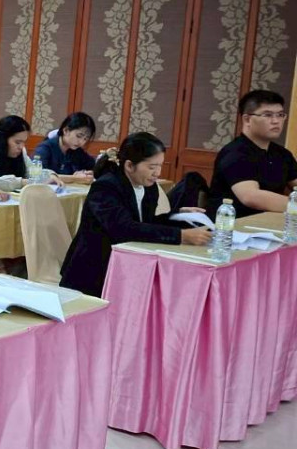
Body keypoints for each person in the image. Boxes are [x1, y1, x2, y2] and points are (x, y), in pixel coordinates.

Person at [60, 133, 212, 297]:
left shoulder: (149, 187)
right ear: (129, 166)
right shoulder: (106, 187)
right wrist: (181, 236)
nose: (157, 173)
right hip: (93, 271)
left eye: (160, 166)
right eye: (152, 167)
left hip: (127, 266)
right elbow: (124, 229)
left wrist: (178, 216)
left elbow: (145, 223)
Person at [208, 89, 297, 218]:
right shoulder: (235, 153)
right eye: (268, 115)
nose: (276, 121)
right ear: (247, 119)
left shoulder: (282, 154)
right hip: (232, 225)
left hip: (268, 222)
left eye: (280, 115)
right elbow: (251, 197)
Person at [0, 115, 61, 190]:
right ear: (3, 139)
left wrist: (49, 175)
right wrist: (20, 182)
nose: (21, 147)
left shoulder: (21, 152)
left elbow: (33, 172)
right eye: (17, 142)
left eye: (24, 142)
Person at [34, 112, 96, 182]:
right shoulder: (45, 148)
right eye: (79, 136)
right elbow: (39, 176)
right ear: (66, 130)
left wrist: (88, 173)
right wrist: (74, 178)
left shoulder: (77, 151)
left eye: (85, 139)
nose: (81, 142)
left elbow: (93, 166)